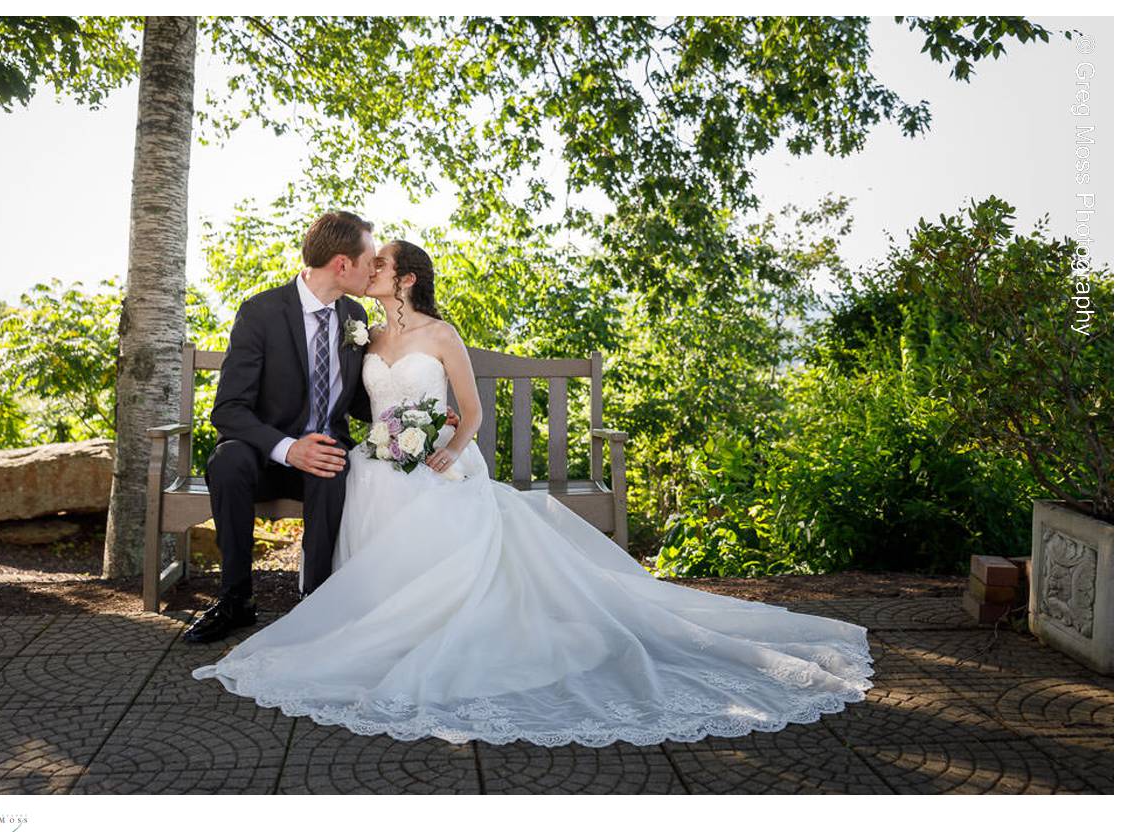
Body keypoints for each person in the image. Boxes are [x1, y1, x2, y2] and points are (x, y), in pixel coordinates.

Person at [193, 240, 875, 747]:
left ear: (403, 279)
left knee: (428, 514)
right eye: (362, 264)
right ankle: (356, 617)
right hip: (377, 460)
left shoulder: (442, 333)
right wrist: (377, 441)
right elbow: (354, 406)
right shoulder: (364, 334)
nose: (368, 271)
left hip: (437, 465)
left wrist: (449, 447)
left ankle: (425, 625)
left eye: (380, 266)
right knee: (356, 482)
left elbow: (470, 411)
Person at [182, 212, 458, 644]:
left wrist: (421, 416)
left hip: (324, 454)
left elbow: (365, 398)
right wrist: (289, 448)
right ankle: (235, 600)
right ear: (342, 265)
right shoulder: (261, 312)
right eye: (370, 259)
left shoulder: (354, 315)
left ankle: (316, 600)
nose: (373, 269)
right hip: (263, 453)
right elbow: (228, 410)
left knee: (333, 462)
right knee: (227, 459)